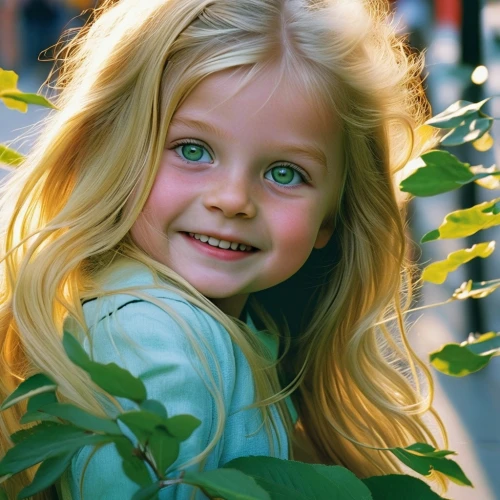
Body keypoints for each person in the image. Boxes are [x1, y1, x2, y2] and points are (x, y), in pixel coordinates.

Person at [0, 0, 448, 498]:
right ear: (116, 149)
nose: (233, 199)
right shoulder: (156, 345)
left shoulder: (236, 325)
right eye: (193, 149)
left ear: (334, 215)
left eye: (285, 173)